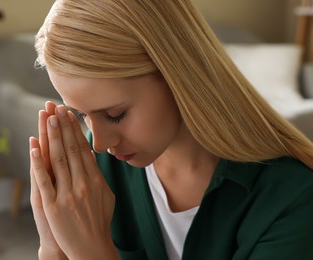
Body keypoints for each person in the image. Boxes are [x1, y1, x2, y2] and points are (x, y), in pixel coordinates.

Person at [29, 0, 313, 259]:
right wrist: (52, 245)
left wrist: (91, 252)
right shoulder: (94, 169)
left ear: (177, 76)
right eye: (82, 115)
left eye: (114, 114)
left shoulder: (294, 197)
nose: (100, 143)